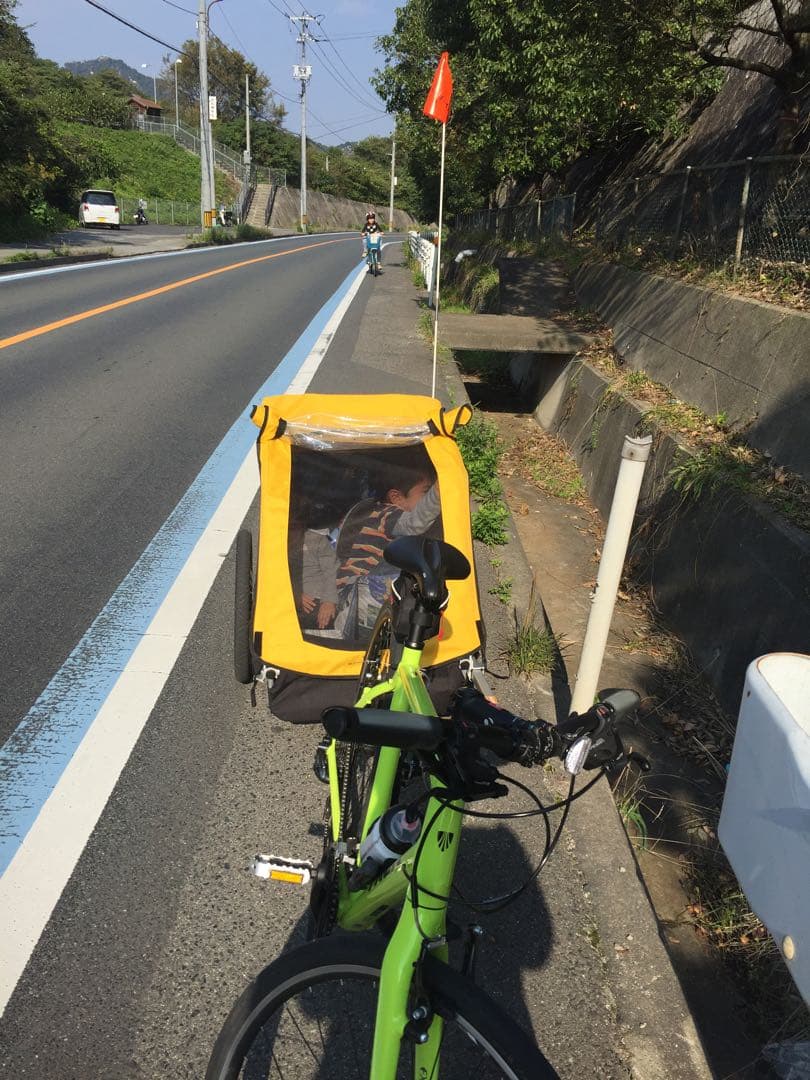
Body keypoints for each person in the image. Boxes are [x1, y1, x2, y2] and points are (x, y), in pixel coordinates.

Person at [336, 453, 440, 637]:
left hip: (357, 594)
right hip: (355, 593)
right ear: (397, 498)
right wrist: (439, 492)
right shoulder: (387, 514)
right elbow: (415, 523)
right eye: (426, 492)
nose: (428, 496)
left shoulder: (377, 513)